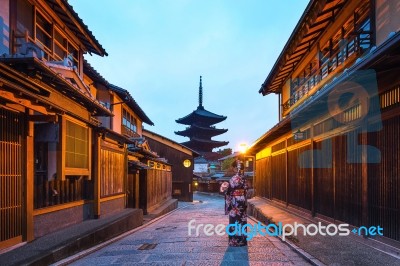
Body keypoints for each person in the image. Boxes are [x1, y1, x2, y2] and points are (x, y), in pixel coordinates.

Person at [220, 159, 248, 247]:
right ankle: (242, 240)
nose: (233, 169)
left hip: (235, 201)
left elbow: (229, 190)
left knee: (234, 219)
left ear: (236, 168)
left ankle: (234, 241)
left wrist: (224, 188)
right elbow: (246, 189)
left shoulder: (233, 179)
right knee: (242, 219)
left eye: (234, 168)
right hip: (242, 200)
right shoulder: (244, 177)